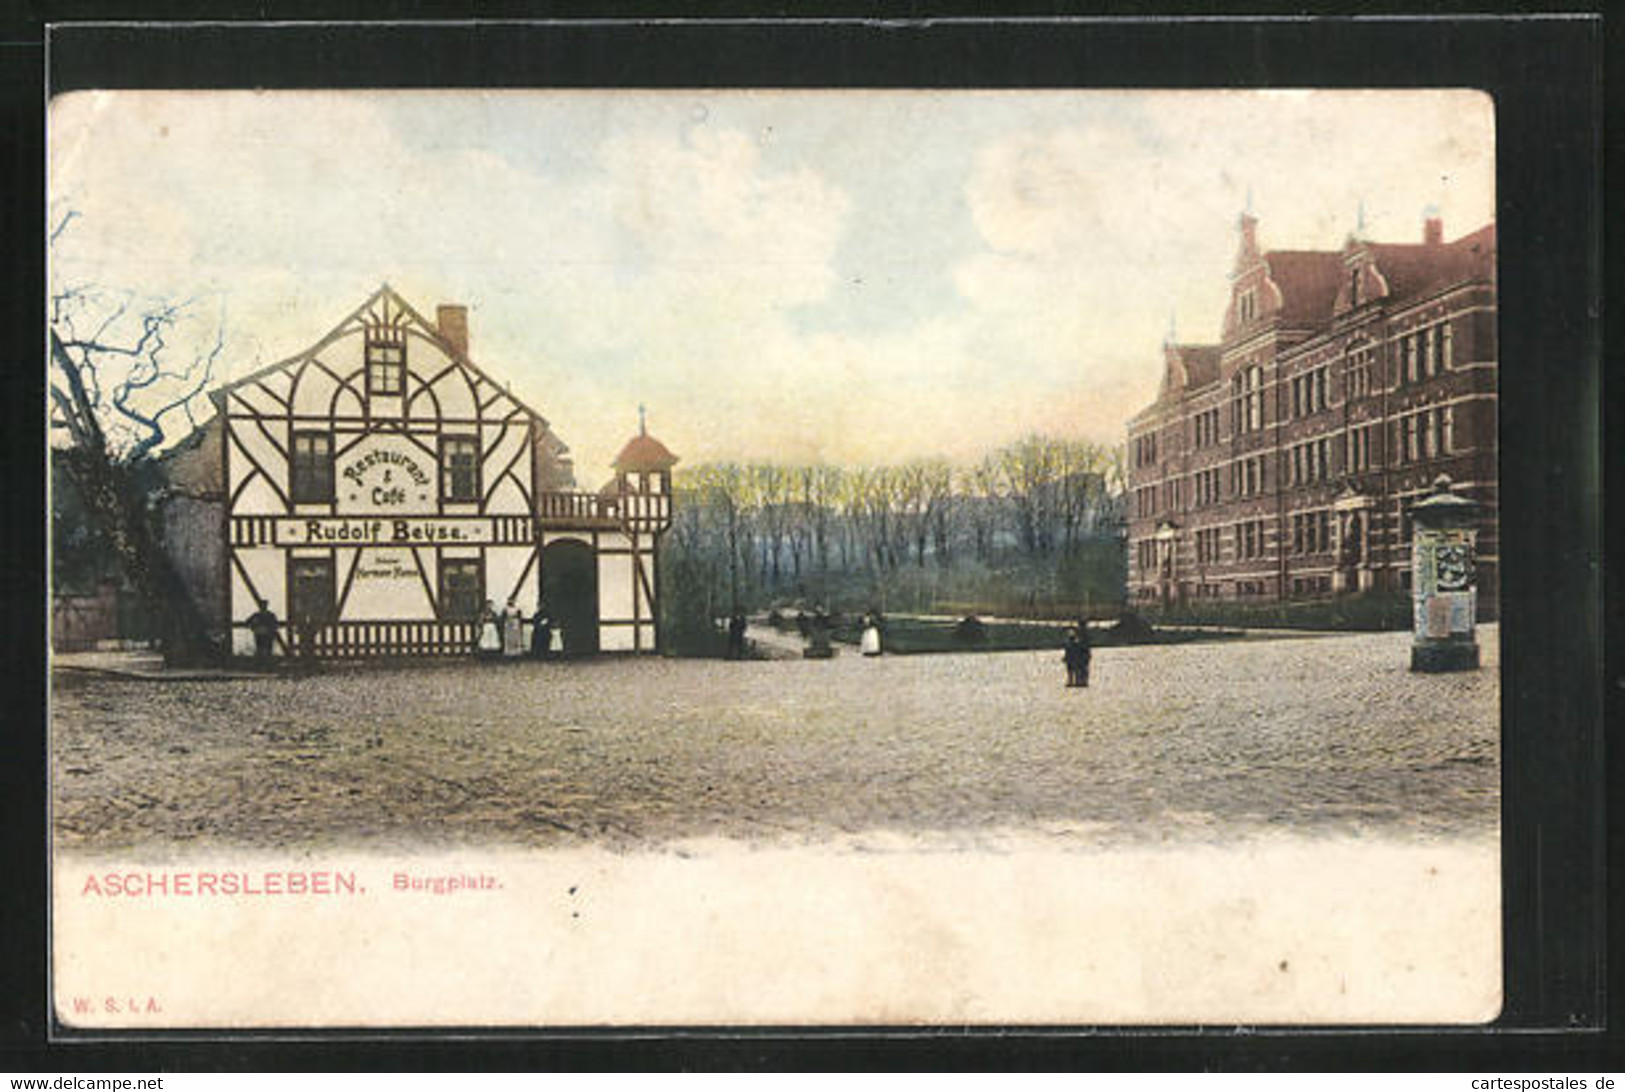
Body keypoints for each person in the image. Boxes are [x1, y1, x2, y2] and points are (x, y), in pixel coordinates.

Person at [246, 598, 279, 664]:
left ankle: (262, 663)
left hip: (261, 633)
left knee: (262, 649)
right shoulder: (270, 615)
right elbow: (275, 625)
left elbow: (247, 622)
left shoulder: (257, 615)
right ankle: (265, 663)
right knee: (265, 649)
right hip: (265, 634)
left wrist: (253, 628)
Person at [1075, 621, 1093, 687]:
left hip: (1082, 653)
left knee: (1082, 667)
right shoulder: (1084, 634)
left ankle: (1081, 681)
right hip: (1082, 653)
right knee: (1082, 667)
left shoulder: (1081, 634)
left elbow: (1084, 644)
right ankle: (1082, 681)